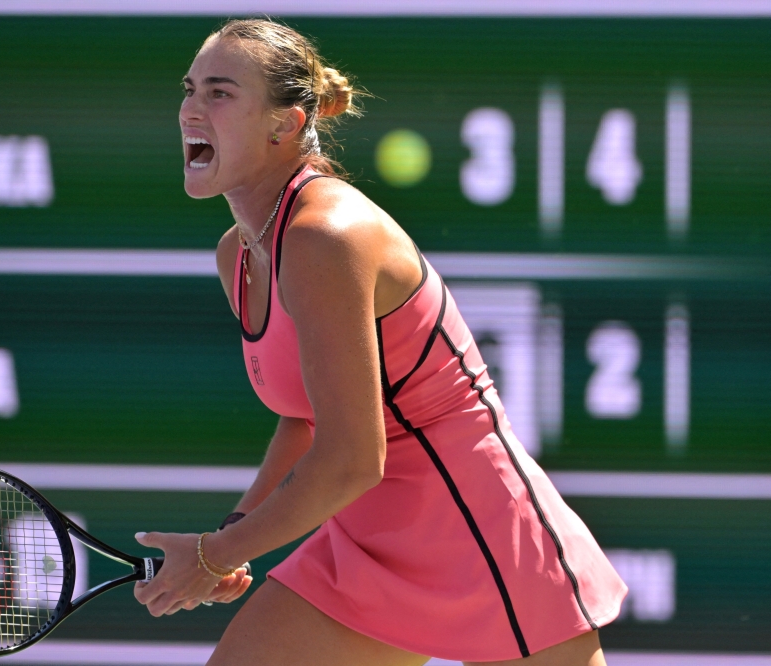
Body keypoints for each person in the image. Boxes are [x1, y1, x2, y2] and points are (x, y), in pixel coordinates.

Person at [133, 19, 627, 666]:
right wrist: (237, 532)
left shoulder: (325, 238)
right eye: (189, 89)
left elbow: (351, 458)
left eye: (220, 93)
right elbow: (306, 418)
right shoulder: (240, 255)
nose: (191, 110)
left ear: (285, 123)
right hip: (367, 546)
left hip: (479, 536)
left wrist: (214, 556)